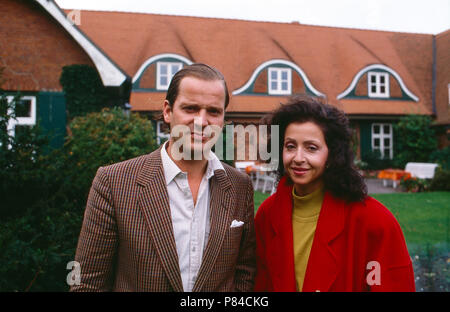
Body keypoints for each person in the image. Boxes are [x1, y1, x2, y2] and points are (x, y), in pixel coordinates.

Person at [71, 63, 256, 292]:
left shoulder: (240, 186)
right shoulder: (114, 182)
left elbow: (244, 273)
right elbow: (86, 282)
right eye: (190, 108)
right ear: (168, 111)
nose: (201, 121)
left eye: (214, 111)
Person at [254, 94, 415, 292]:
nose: (298, 157)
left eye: (311, 148)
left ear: (332, 155)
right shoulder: (266, 214)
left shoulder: (375, 221)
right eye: (290, 146)